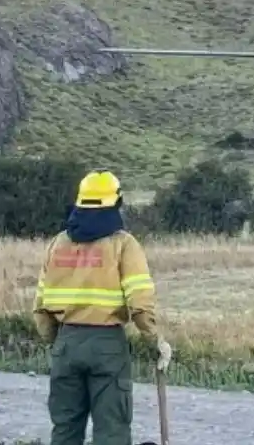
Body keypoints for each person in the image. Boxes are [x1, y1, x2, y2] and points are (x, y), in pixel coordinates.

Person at [33, 170, 173, 445]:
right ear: (116, 203)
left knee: (64, 430)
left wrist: (57, 342)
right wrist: (156, 341)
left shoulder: (58, 244)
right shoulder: (123, 244)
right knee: (112, 431)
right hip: (107, 346)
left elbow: (40, 307)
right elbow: (140, 305)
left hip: (66, 343)